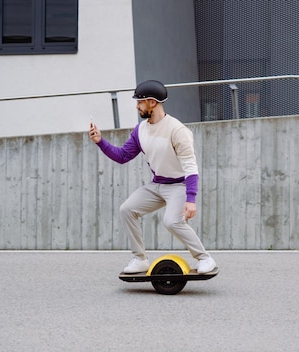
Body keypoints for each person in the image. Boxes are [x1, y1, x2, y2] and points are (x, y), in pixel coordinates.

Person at [88, 80, 217, 274]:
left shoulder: (177, 130)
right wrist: (100, 141)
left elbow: (190, 167)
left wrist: (191, 199)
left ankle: (204, 258)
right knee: (127, 210)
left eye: (139, 102)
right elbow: (123, 156)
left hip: (179, 186)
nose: (137, 106)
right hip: (157, 185)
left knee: (172, 221)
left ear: (152, 102)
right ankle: (140, 259)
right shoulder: (140, 130)